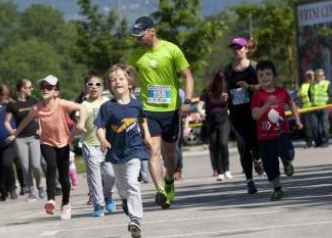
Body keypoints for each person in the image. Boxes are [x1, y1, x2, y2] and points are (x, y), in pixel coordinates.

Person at [128, 16, 194, 209]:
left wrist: (187, 102)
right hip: (149, 109)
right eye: (135, 36)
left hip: (171, 109)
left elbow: (188, 76)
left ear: (152, 32)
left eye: (141, 36)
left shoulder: (171, 49)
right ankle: (160, 191)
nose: (138, 40)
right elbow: (128, 74)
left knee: (170, 155)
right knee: (153, 151)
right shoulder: (135, 54)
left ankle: (169, 182)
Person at [6, 75, 86, 220]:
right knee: (51, 165)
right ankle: (51, 200)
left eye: (49, 87)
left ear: (56, 92)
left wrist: (80, 123)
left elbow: (81, 107)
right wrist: (15, 134)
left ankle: (66, 204)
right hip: (46, 142)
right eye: (43, 87)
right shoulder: (37, 107)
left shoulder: (62, 104)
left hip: (63, 142)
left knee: (64, 177)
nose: (45, 89)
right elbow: (26, 120)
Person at [95, 64, 152, 238]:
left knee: (132, 182)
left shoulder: (137, 104)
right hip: (116, 153)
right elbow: (100, 127)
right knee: (121, 187)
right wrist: (103, 139)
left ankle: (135, 219)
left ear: (129, 83)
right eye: (113, 80)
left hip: (134, 150)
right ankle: (125, 200)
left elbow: (143, 121)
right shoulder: (107, 107)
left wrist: (147, 136)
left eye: (120, 78)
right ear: (110, 85)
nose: (117, 82)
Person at [251, 60, 303, 201]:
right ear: (258, 78)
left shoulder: (282, 92)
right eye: (261, 75)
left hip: (281, 134)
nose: (265, 77)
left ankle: (286, 161)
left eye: (268, 74)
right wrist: (267, 104)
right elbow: (255, 115)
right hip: (264, 138)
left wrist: (297, 120)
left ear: (274, 75)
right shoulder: (257, 95)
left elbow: (292, 104)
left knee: (288, 153)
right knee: (270, 166)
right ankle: (277, 189)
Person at [223, 37, 263, 194]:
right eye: (234, 47)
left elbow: (264, 86)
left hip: (254, 111)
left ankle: (258, 159)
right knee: (243, 146)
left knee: (256, 144)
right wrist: (224, 94)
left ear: (246, 48)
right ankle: (249, 180)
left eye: (239, 47)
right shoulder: (228, 69)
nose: (236, 50)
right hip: (236, 114)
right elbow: (225, 87)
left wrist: (249, 87)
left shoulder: (254, 66)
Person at [80, 71, 116, 217]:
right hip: (90, 145)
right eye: (90, 84)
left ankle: (108, 196)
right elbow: (81, 120)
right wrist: (80, 126)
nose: (94, 87)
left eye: (98, 84)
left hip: (107, 145)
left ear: (103, 87)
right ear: (86, 87)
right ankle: (98, 205)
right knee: (94, 178)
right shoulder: (84, 104)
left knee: (111, 175)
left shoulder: (108, 102)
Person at [5, 78, 45, 201]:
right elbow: (6, 122)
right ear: (22, 88)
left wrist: (40, 128)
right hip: (20, 139)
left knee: (36, 165)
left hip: (34, 137)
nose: (32, 89)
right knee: (25, 167)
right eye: (29, 87)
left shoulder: (34, 101)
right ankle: (31, 190)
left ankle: (40, 186)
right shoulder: (12, 104)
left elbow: (40, 117)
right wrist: (12, 132)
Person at [197, 71, 233, 182]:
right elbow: (200, 104)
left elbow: (233, 103)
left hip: (224, 121)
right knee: (214, 146)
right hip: (211, 121)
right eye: (219, 82)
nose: (221, 85)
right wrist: (201, 112)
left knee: (223, 143)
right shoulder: (207, 92)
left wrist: (229, 106)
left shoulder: (227, 91)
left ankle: (226, 169)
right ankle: (220, 172)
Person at [309, 68, 332, 148]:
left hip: (324, 107)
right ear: (315, 76)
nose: (320, 77)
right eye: (318, 75)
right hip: (314, 108)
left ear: (323, 76)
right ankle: (317, 142)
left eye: (321, 75)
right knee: (315, 126)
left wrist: (327, 103)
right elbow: (309, 94)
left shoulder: (327, 83)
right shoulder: (312, 84)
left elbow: (331, 95)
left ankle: (325, 142)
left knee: (324, 126)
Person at [298, 70, 315, 148]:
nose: (309, 77)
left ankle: (319, 141)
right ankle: (309, 142)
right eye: (307, 76)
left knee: (316, 125)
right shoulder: (303, 86)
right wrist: (299, 107)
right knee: (308, 127)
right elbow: (300, 97)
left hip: (317, 107)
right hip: (307, 108)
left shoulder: (316, 84)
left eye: (310, 75)